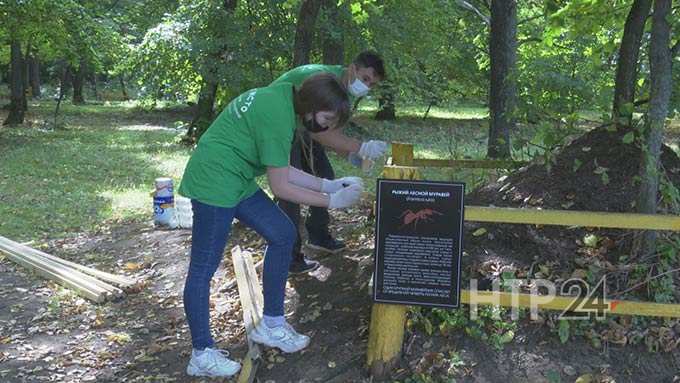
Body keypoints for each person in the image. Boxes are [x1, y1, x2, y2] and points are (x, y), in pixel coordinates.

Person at [178, 73, 364, 378]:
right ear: (312, 106)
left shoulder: (284, 98)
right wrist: (332, 202)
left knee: (282, 233)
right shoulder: (277, 115)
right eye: (327, 118)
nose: (327, 127)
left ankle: (272, 323)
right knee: (203, 268)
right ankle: (202, 353)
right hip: (213, 180)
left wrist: (330, 185)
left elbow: (282, 168)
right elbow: (282, 187)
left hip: (236, 177)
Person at [271, 51, 388, 273]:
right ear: (353, 68)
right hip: (283, 126)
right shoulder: (324, 78)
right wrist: (361, 147)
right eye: (365, 79)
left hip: (304, 127)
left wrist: (351, 155)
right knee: (289, 191)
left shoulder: (344, 91)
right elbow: (319, 131)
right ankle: (289, 258)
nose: (367, 86)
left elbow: (329, 129)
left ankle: (318, 234)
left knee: (325, 174)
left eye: (372, 84)